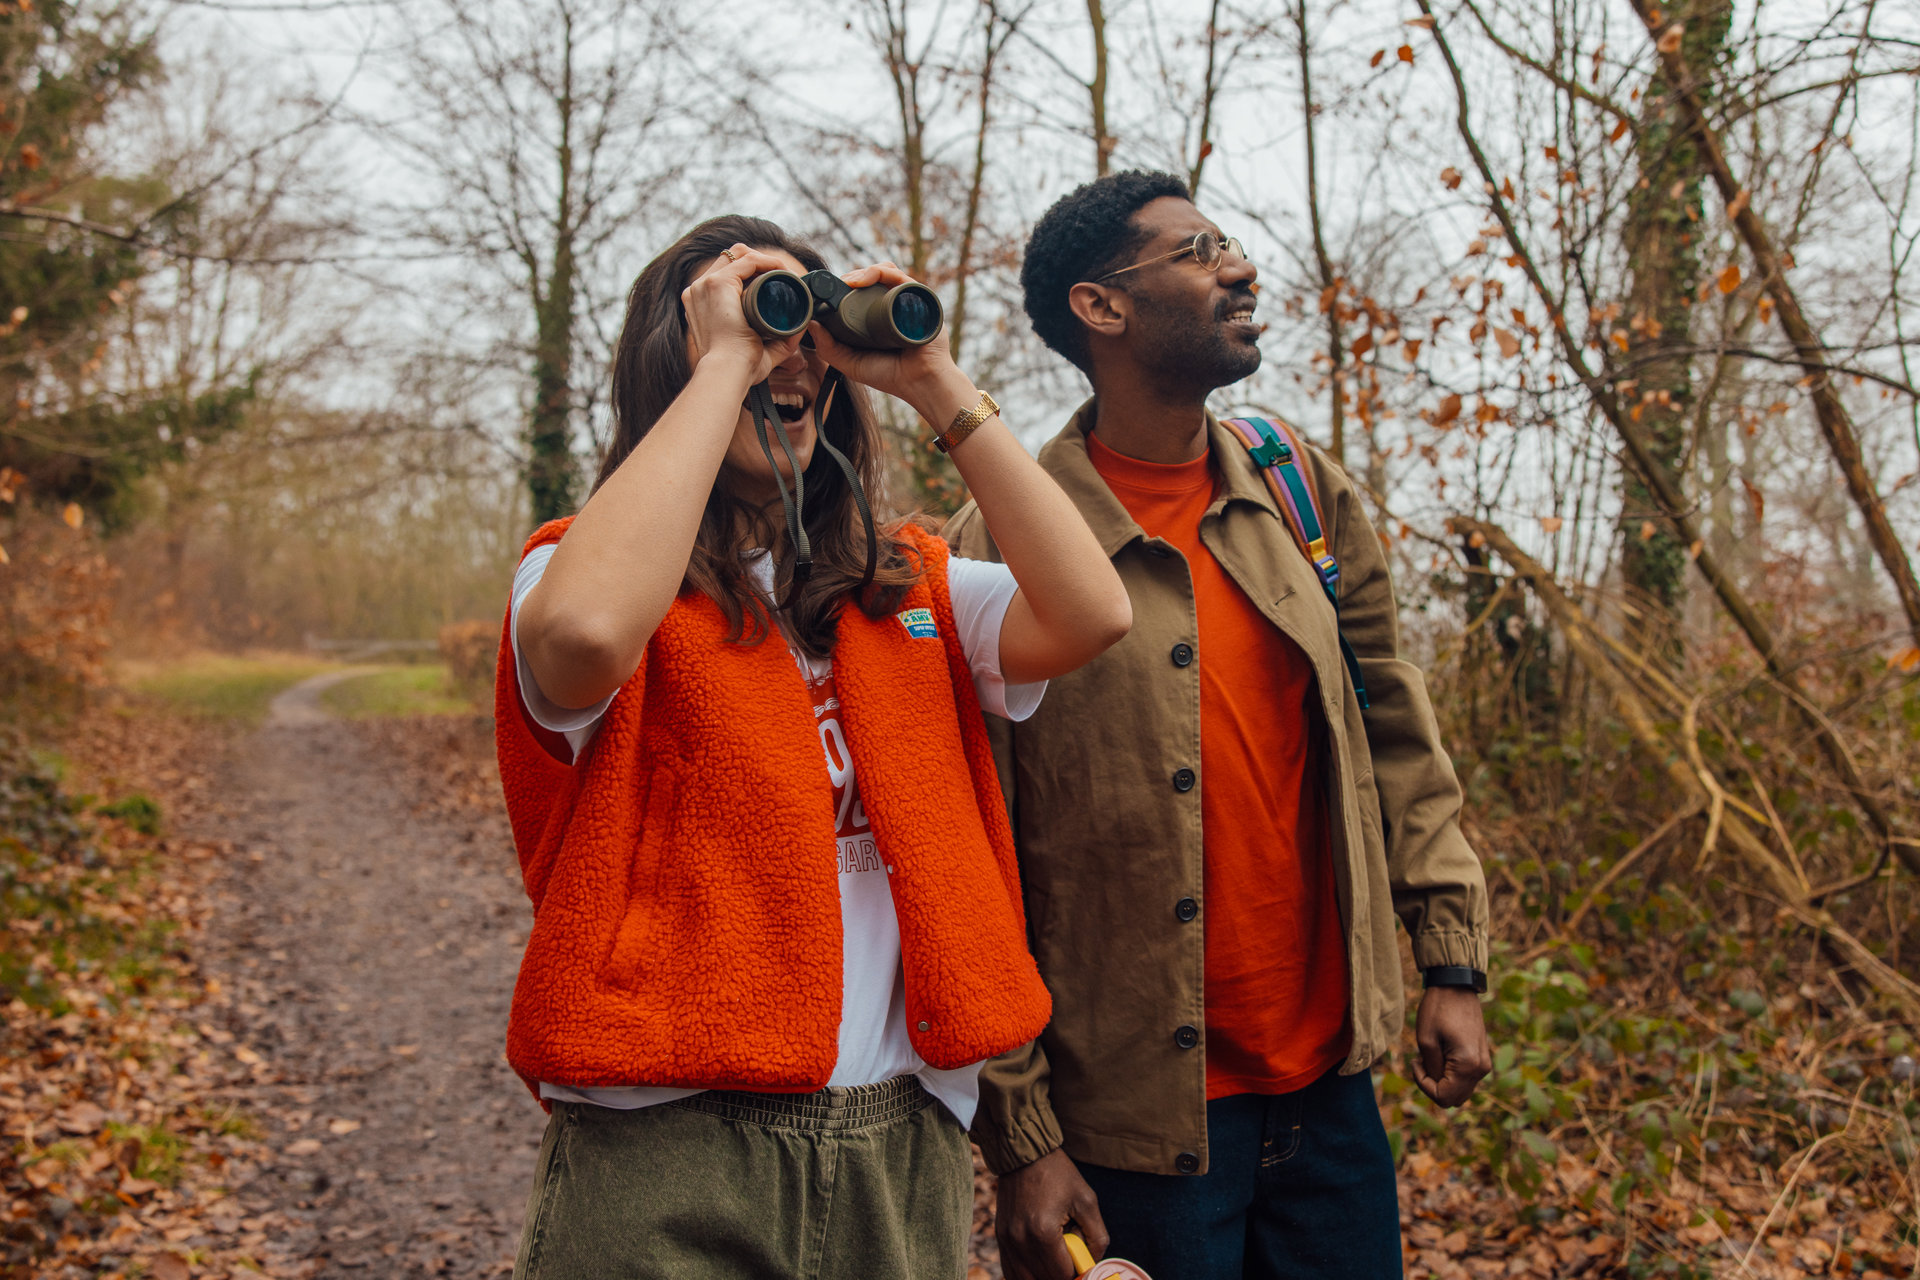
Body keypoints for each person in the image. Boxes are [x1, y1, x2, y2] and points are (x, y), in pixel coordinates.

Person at [494, 214, 1131, 1280]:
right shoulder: (574, 572)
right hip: (666, 1143)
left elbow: (1092, 609)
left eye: (804, 329)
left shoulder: (906, 586)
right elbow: (586, 636)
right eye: (759, 322)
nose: (790, 354)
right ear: (679, 361)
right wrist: (726, 358)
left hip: (897, 1145)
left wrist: (932, 378)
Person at [946, 171, 1493, 1280]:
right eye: (1198, 250)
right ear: (1103, 307)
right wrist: (1021, 1135)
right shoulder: (998, 542)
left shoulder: (1300, 491)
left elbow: (1396, 726)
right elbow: (967, 849)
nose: (1239, 266)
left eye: (1230, 242)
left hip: (1330, 1098)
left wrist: (1453, 955)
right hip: (1130, 1132)